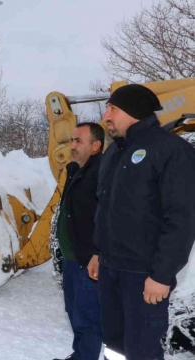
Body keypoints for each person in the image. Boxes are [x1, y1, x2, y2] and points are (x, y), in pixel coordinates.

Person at [93, 84, 195, 360]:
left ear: (134, 111)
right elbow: (105, 208)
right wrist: (97, 253)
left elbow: (182, 219)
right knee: (114, 342)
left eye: (113, 108)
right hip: (110, 267)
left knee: (142, 349)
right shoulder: (113, 153)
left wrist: (162, 275)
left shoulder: (171, 150)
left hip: (144, 275)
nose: (106, 115)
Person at [53, 123, 104, 360]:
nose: (72, 146)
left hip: (88, 260)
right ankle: (81, 355)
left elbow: (108, 217)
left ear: (96, 146)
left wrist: (98, 252)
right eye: (72, 141)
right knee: (74, 312)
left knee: (87, 316)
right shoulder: (77, 170)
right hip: (72, 259)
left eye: (78, 141)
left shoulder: (101, 173)